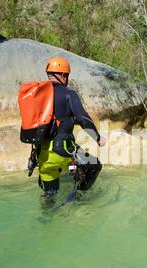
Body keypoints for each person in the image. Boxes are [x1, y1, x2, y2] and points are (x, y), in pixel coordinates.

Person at [38, 56, 106, 199]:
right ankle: (80, 198)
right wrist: (98, 138)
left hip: (43, 157)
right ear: (63, 75)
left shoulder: (39, 95)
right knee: (95, 165)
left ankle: (46, 217)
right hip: (64, 152)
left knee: (49, 197)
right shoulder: (69, 94)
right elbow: (83, 119)